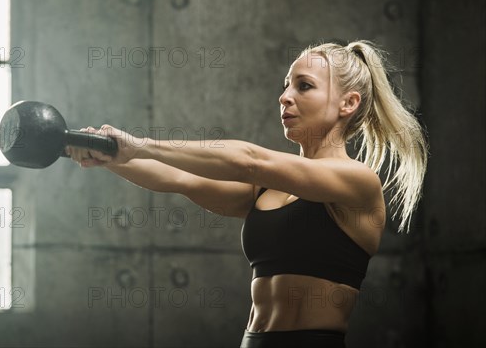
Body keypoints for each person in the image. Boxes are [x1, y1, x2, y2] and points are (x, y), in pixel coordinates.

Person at [66, 39, 429, 348]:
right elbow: (178, 178)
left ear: (347, 104)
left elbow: (249, 160)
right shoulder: (267, 187)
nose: (284, 97)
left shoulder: (357, 182)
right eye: (286, 85)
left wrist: (140, 144)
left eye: (304, 86)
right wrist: (108, 155)